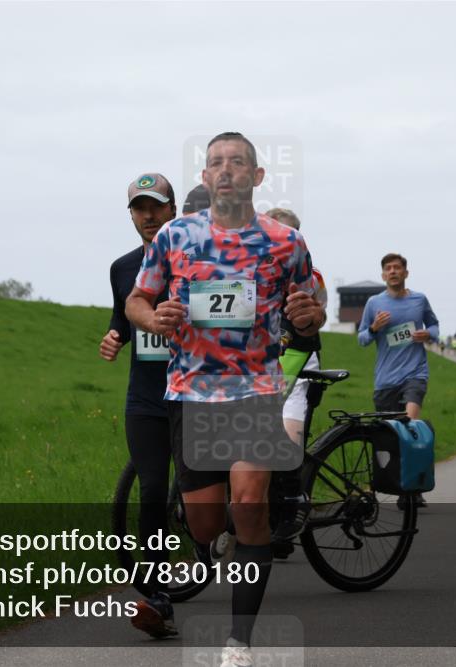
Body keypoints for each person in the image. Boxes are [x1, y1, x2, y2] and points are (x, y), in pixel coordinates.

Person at [126, 132, 324, 667]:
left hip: (257, 390)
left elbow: (313, 302)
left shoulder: (286, 242)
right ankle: (216, 544)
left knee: (250, 505)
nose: (227, 170)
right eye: (217, 163)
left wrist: (310, 315)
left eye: (238, 162)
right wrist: (152, 317)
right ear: (206, 179)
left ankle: (238, 644)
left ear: (257, 177)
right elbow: (137, 299)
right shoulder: (174, 235)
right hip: (191, 392)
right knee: (207, 524)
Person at [100, 172, 178, 638]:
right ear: (131, 215)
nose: (148, 216)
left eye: (156, 206)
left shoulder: (197, 258)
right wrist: (114, 335)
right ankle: (157, 598)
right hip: (146, 398)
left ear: (173, 209)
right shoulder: (122, 267)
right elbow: (121, 317)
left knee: (196, 496)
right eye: (139, 208)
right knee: (152, 490)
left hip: (195, 396)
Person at [358, 253, 439, 505]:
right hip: (385, 380)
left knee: (410, 427)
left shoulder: (419, 299)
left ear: (406, 273)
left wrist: (428, 334)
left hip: (415, 374)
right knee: (392, 437)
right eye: (388, 269)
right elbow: (361, 339)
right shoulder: (374, 303)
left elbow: (435, 327)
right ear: (383, 275)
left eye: (397, 268)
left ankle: (412, 491)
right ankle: (397, 484)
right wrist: (374, 328)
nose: (393, 272)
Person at [268, 207, 326, 551]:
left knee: (288, 440)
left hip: (300, 366)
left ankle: (295, 502)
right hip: (262, 368)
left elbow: (317, 312)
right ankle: (274, 522)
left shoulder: (309, 275)